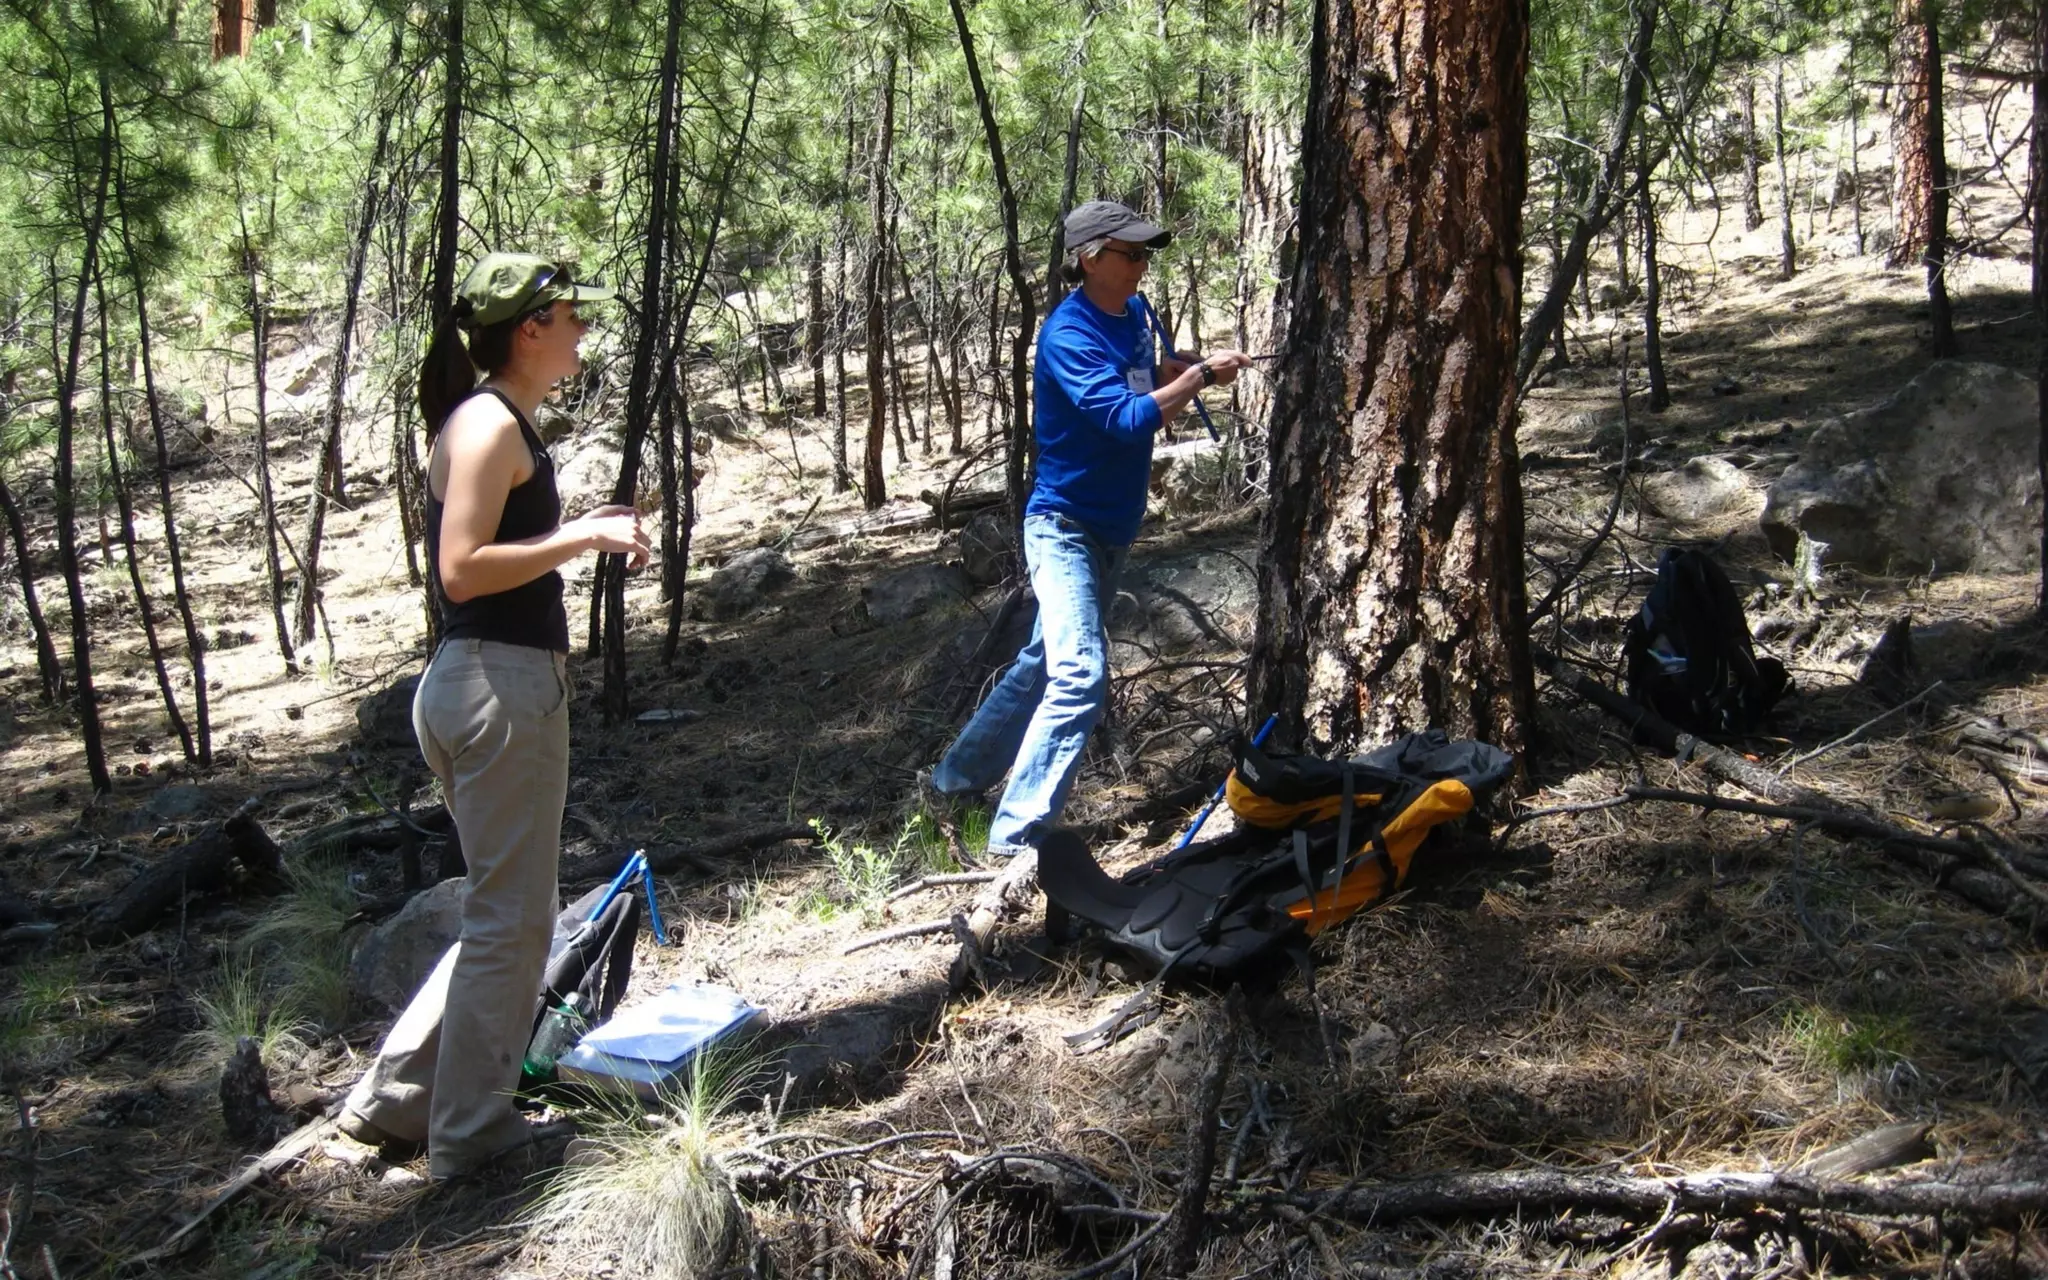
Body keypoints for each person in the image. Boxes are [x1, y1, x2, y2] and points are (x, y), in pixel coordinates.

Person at [340, 252, 650, 1179]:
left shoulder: (499, 421)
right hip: (497, 689)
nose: (582, 331)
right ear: (530, 328)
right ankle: (471, 1133)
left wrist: (575, 531)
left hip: (490, 685)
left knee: (506, 915)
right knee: (513, 921)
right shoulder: (485, 423)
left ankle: (399, 1103)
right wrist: (580, 535)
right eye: (570, 315)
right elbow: (462, 569)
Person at [926, 202, 1250, 858]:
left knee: (1043, 662)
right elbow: (1124, 419)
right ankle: (1015, 842)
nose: (1142, 265)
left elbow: (1135, 386)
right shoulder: (1067, 334)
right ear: (1090, 257)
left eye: (1145, 253)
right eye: (1131, 253)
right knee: (1079, 675)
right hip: (1063, 527)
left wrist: (1171, 375)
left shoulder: (1132, 316)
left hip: (1112, 527)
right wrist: (1196, 380)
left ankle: (952, 783)